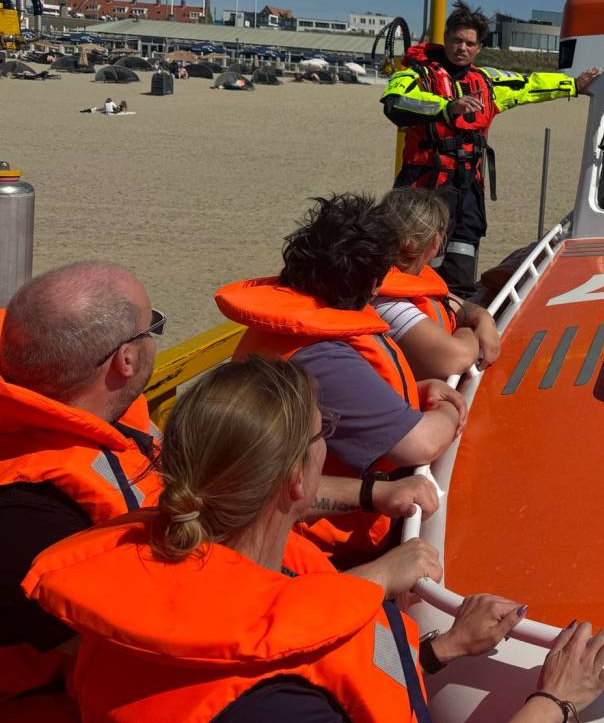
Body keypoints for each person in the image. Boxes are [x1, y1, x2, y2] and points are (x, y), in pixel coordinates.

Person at [23, 356, 604, 723]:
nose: (327, 444)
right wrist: (556, 701)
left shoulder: (139, 589)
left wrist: (442, 650)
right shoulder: (279, 700)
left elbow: (264, 649)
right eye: (322, 434)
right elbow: (283, 680)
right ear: (295, 480)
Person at [0, 267, 439, 718]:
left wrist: (368, 494)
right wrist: (374, 583)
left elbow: (234, 486)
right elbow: (178, 649)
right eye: (155, 326)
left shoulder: (77, 420)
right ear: (125, 361)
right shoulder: (30, 517)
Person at [217, 194, 468, 560]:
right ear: (371, 284)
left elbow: (340, 406)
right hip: (313, 545)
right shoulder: (320, 355)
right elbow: (421, 444)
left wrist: (413, 392)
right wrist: (449, 407)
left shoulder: (290, 333)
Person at [381, 0, 600, 294]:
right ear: (445, 39)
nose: (462, 48)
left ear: (479, 48)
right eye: (457, 40)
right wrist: (447, 107)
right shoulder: (416, 75)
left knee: (462, 259)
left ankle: (452, 311)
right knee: (416, 263)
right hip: (425, 186)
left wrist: (572, 85)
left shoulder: (486, 82)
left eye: (470, 43)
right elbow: (395, 103)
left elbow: (528, 86)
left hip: (468, 188)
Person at [373, 187, 503, 380]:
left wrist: (482, 318)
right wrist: (466, 329)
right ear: (435, 243)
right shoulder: (386, 301)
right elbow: (457, 358)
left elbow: (463, 307)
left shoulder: (414, 278)